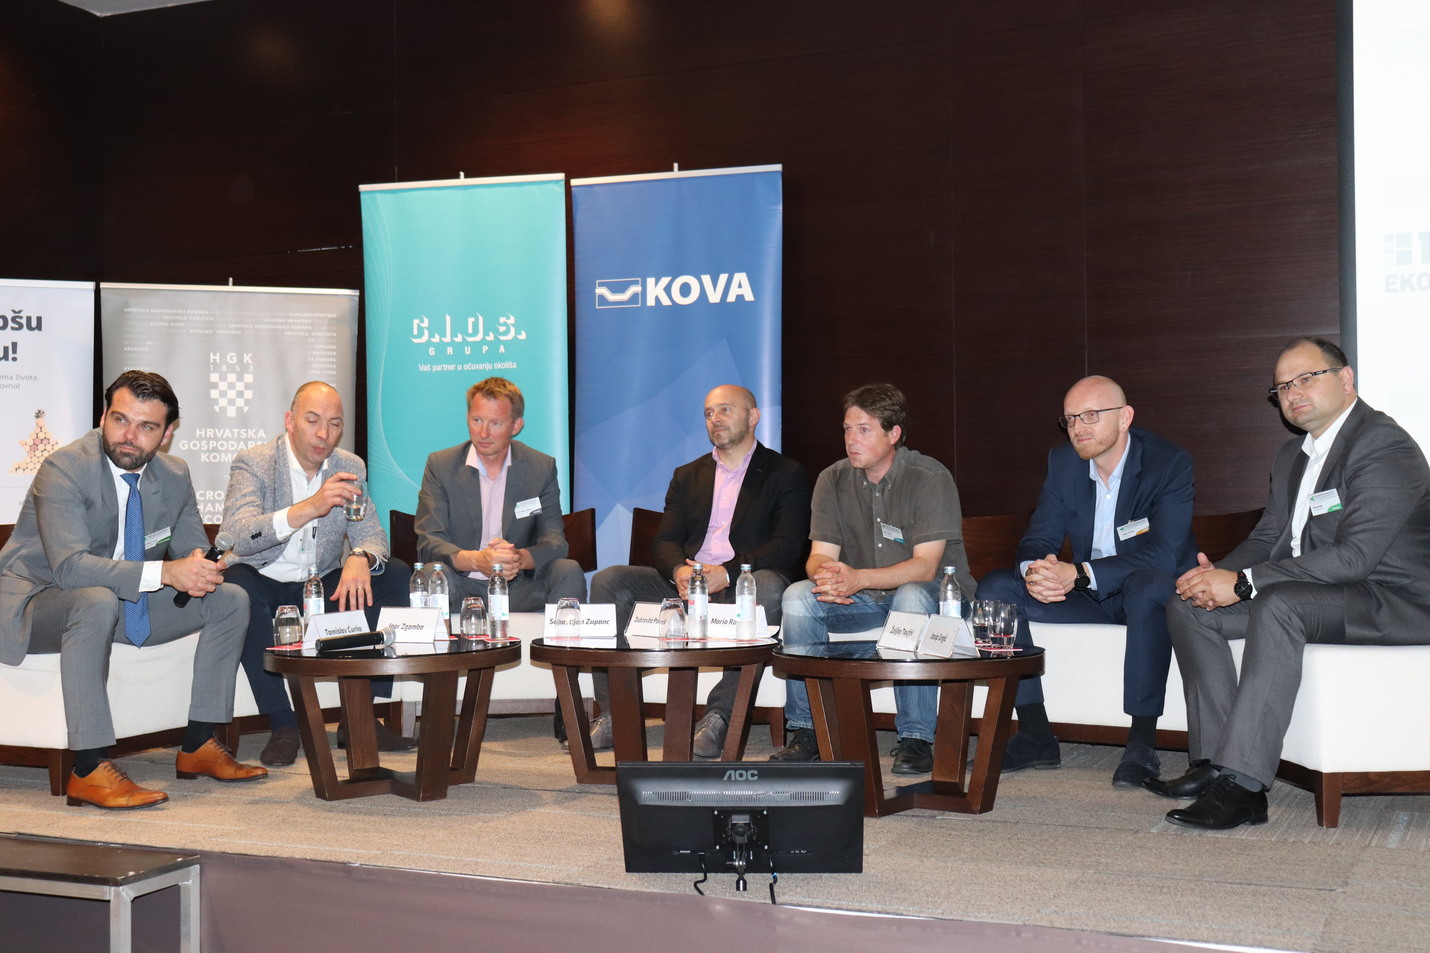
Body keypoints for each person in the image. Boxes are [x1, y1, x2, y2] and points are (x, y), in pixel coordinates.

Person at [1152, 337, 1430, 829]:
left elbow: (1354, 557)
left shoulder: (1384, 445)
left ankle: (1244, 787)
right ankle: (1214, 762)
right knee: (1189, 608)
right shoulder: (1291, 455)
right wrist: (1215, 577)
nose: (1293, 393)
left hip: (1394, 600)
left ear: (1346, 380)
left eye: (1306, 379)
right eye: (1282, 387)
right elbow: (1269, 537)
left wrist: (1244, 584)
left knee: (1279, 605)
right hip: (1324, 593)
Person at [0, 370, 266, 809]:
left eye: (146, 427)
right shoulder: (64, 468)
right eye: (120, 419)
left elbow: (189, 548)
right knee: (94, 600)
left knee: (230, 599)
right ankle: (88, 768)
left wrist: (202, 566)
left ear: (167, 434)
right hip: (36, 602)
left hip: (117, 602)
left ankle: (199, 744)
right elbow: (70, 569)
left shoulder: (174, 474)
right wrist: (166, 573)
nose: (129, 435)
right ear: (103, 416)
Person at [976, 376, 1195, 785]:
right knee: (995, 589)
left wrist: (1078, 573)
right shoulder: (1063, 464)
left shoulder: (1167, 463)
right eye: (1071, 418)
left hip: (1146, 593)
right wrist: (1037, 572)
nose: (1078, 427)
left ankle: (1142, 743)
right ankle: (1035, 734)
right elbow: (1038, 538)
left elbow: (1164, 555)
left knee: (1147, 586)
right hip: (1088, 594)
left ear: (1125, 418)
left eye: (1091, 415)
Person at [588, 385, 810, 757]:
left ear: (753, 416)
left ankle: (719, 717)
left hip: (741, 581)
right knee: (609, 581)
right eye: (709, 413)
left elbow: (787, 545)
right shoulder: (688, 475)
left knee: (769, 586)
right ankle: (615, 714)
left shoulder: (785, 473)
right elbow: (665, 539)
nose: (715, 419)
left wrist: (728, 572)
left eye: (725, 410)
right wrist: (678, 570)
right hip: (687, 584)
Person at [771, 383, 974, 775]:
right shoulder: (832, 479)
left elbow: (925, 567)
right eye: (847, 430)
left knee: (910, 595)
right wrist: (828, 578)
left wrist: (858, 579)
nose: (852, 440)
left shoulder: (929, 477)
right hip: (865, 598)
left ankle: (916, 738)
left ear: (893, 433)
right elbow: (819, 557)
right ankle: (808, 731)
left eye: (864, 430)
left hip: (938, 599)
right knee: (798, 595)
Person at [221, 381, 415, 767]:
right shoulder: (255, 462)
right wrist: (309, 507)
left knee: (394, 574)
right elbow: (238, 535)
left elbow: (372, 534)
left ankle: (359, 718)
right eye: (313, 421)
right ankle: (283, 724)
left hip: (318, 583)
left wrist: (360, 555)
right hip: (262, 576)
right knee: (236, 588)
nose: (324, 434)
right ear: (290, 421)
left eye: (335, 424)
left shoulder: (349, 467)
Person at [416, 376, 586, 617]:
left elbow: (555, 542)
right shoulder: (441, 466)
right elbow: (429, 541)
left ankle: (563, 641)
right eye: (477, 420)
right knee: (433, 573)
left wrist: (518, 558)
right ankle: (440, 643)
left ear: (516, 425)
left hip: (518, 587)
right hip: (461, 585)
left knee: (567, 570)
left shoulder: (540, 468)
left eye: (495, 423)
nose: (483, 433)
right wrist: (478, 560)